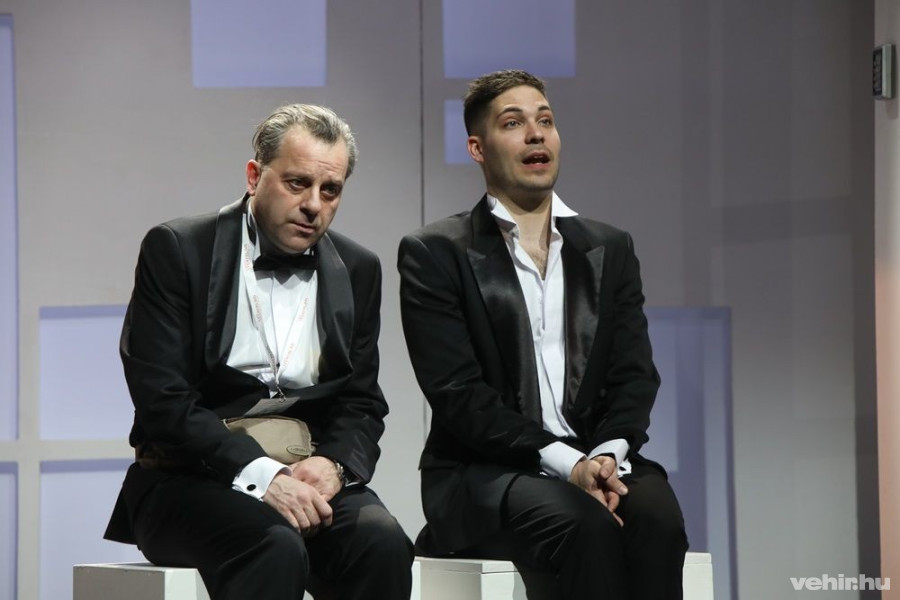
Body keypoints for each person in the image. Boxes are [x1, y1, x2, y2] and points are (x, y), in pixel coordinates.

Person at [398, 70, 688, 599]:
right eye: (514, 123)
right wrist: (568, 465)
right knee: (585, 526)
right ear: (477, 148)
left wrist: (607, 455)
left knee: (658, 520)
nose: (536, 134)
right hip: (487, 471)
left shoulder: (609, 247)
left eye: (546, 121)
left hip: (597, 454)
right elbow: (459, 396)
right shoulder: (435, 253)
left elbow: (634, 374)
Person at [105, 103, 413, 600]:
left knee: (383, 544)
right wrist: (263, 476)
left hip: (303, 474)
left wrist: (334, 465)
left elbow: (361, 400)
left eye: (330, 190)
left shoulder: (358, 268)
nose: (313, 204)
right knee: (272, 545)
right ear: (254, 176)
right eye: (297, 183)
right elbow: (162, 399)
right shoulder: (179, 249)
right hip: (187, 477)